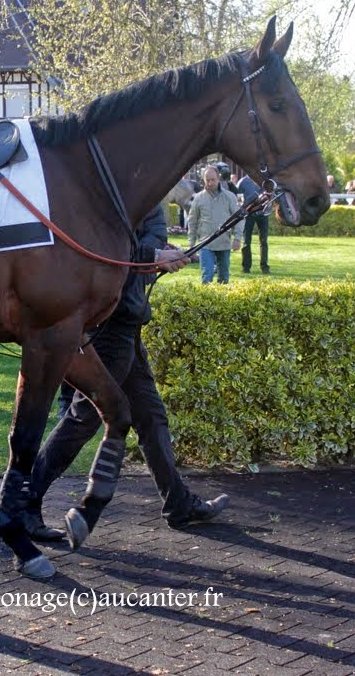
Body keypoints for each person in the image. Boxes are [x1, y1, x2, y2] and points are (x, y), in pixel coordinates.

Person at [26, 205, 229, 543]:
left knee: (150, 417)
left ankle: (178, 503)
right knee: (85, 417)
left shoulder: (148, 204)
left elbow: (141, 246)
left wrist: (157, 255)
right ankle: (24, 501)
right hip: (110, 325)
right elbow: (102, 250)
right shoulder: (107, 195)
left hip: (127, 325)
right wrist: (154, 255)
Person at [188, 165, 240, 284]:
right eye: (208, 180)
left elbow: (239, 218)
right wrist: (191, 244)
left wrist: (237, 238)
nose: (210, 183)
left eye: (213, 179)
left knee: (223, 278)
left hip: (224, 244)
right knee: (207, 276)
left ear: (218, 178)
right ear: (204, 180)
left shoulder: (230, 197)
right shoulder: (198, 198)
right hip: (205, 244)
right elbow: (192, 221)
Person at [237, 175, 270, 274]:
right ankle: (246, 267)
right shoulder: (242, 182)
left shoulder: (264, 181)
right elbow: (238, 198)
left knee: (263, 241)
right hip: (248, 214)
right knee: (246, 241)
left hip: (263, 213)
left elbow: (270, 195)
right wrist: (243, 207)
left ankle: (264, 267)